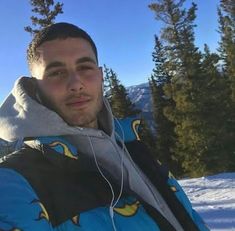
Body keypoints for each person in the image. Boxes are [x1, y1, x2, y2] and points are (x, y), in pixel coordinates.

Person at [0, 22, 209, 231]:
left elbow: (187, 217)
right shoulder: (15, 182)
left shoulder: (131, 145)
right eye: (56, 73)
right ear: (35, 89)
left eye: (85, 67)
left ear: (100, 75)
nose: (76, 83)